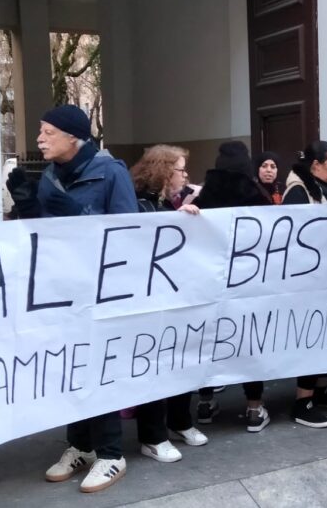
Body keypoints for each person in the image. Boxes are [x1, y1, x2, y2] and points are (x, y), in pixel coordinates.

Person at [8, 105, 136, 493]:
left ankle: (111, 454)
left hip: (101, 290)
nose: (39, 139)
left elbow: (129, 231)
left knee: (98, 368)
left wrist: (79, 213)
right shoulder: (50, 176)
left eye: (48, 132)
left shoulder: (111, 171)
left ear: (73, 138)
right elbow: (44, 235)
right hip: (62, 289)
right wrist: (27, 206)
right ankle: (81, 445)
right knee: (72, 366)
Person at [186, 141, 275, 432]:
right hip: (247, 279)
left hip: (211, 280)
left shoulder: (205, 194)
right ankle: (254, 407)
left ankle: (205, 402)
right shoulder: (255, 194)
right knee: (249, 341)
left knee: (210, 341)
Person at [127, 144, 207, 458]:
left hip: (173, 295)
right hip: (149, 300)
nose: (185, 176)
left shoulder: (163, 202)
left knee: (179, 359)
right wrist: (175, 218)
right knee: (154, 365)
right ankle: (152, 436)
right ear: (163, 172)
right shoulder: (138, 203)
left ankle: (179, 421)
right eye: (180, 170)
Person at [282, 140, 327, 427]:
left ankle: (321, 390)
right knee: (313, 335)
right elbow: (293, 234)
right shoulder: (298, 191)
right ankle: (303, 401)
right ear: (315, 165)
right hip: (310, 280)